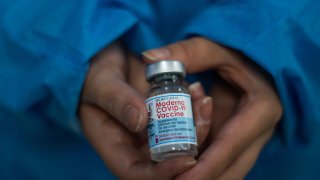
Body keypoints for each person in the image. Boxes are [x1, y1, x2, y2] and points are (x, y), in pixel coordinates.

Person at [0, 0, 319, 179]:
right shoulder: (161, 92)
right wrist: (70, 50)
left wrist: (275, 46)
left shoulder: (166, 91)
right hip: (51, 155)